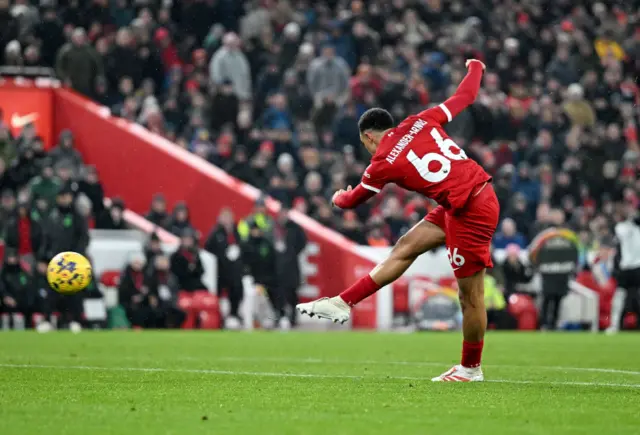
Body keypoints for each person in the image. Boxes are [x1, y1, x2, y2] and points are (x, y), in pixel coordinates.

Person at [297, 59, 497, 382]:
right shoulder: (420, 121)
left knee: (470, 296)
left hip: (470, 210)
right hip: (465, 200)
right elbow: (465, 97)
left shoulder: (381, 161)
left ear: (369, 137)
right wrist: (475, 68)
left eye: (365, 145)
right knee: (405, 246)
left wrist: (337, 197)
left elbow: (353, 200)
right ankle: (343, 301)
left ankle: (470, 368)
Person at [205, 208, 244, 328]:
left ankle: (234, 314)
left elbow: (243, 246)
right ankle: (219, 318)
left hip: (235, 270)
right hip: (220, 270)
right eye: (224, 217)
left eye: (229, 218)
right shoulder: (216, 232)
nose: (227, 220)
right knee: (218, 294)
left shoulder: (237, 232)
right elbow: (208, 248)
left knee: (237, 291)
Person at [274, 206, 307, 327]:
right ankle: (280, 316)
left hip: (291, 266)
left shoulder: (294, 227)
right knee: (278, 293)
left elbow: (303, 242)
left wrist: (292, 252)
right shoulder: (274, 227)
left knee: (292, 292)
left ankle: (293, 318)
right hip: (277, 266)